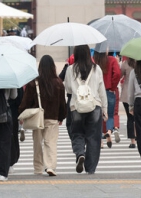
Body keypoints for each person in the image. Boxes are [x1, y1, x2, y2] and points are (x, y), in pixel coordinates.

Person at [19, 55, 67, 176]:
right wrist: (61, 117)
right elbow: (62, 103)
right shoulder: (58, 83)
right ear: (53, 67)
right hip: (53, 117)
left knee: (37, 144)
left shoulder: (34, 82)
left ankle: (38, 168)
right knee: (50, 142)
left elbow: (26, 101)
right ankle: (50, 166)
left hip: (37, 118)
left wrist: (21, 115)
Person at [64, 45, 107, 174]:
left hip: (76, 106)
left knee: (77, 133)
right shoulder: (97, 69)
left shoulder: (70, 69)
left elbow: (68, 89)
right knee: (93, 137)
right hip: (94, 106)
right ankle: (91, 168)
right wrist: (104, 109)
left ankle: (80, 153)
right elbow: (101, 90)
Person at [93, 51, 121, 148]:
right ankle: (109, 131)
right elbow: (117, 73)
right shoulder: (112, 60)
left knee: (98, 116)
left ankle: (100, 141)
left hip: (97, 92)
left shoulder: (94, 61)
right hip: (109, 90)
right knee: (110, 115)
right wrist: (113, 87)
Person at [120, 57, 136, 148]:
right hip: (138, 93)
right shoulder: (139, 63)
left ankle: (132, 141)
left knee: (130, 118)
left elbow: (119, 75)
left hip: (127, 93)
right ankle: (138, 136)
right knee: (138, 118)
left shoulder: (125, 64)